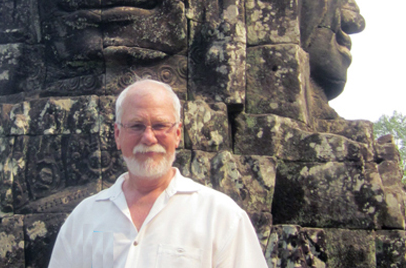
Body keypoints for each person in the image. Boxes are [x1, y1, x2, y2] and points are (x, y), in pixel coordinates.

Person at [48, 79, 268, 267]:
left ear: (177, 134)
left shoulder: (220, 216)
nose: (149, 138)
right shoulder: (84, 218)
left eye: (160, 125)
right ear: (117, 135)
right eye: (136, 126)